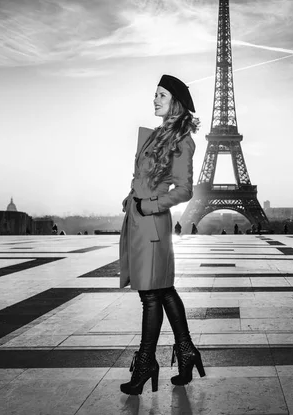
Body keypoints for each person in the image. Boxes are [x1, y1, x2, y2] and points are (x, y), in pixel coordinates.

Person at [119, 74, 205, 396]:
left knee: (151, 295)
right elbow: (140, 178)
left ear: (176, 103)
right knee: (163, 290)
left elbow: (184, 190)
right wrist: (131, 198)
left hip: (152, 223)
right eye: (154, 94)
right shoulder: (153, 136)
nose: (154, 100)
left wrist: (147, 204)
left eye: (161, 96)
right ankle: (186, 353)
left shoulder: (181, 140)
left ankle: (146, 363)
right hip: (139, 219)